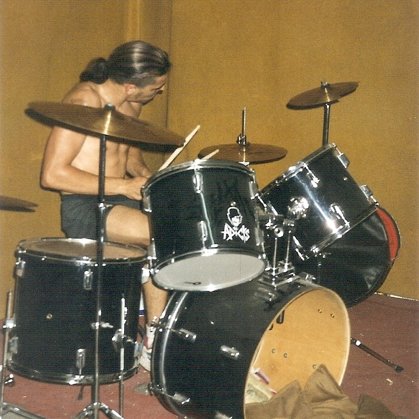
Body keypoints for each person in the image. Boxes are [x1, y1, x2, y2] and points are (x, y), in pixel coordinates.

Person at [40, 40, 171, 372]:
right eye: (156, 87)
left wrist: (147, 179)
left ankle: (157, 332)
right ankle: (154, 341)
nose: (161, 91)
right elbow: (52, 174)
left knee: (176, 227)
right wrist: (124, 186)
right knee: (161, 235)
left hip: (118, 198)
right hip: (84, 204)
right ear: (130, 86)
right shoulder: (84, 101)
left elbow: (130, 156)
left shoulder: (131, 104)